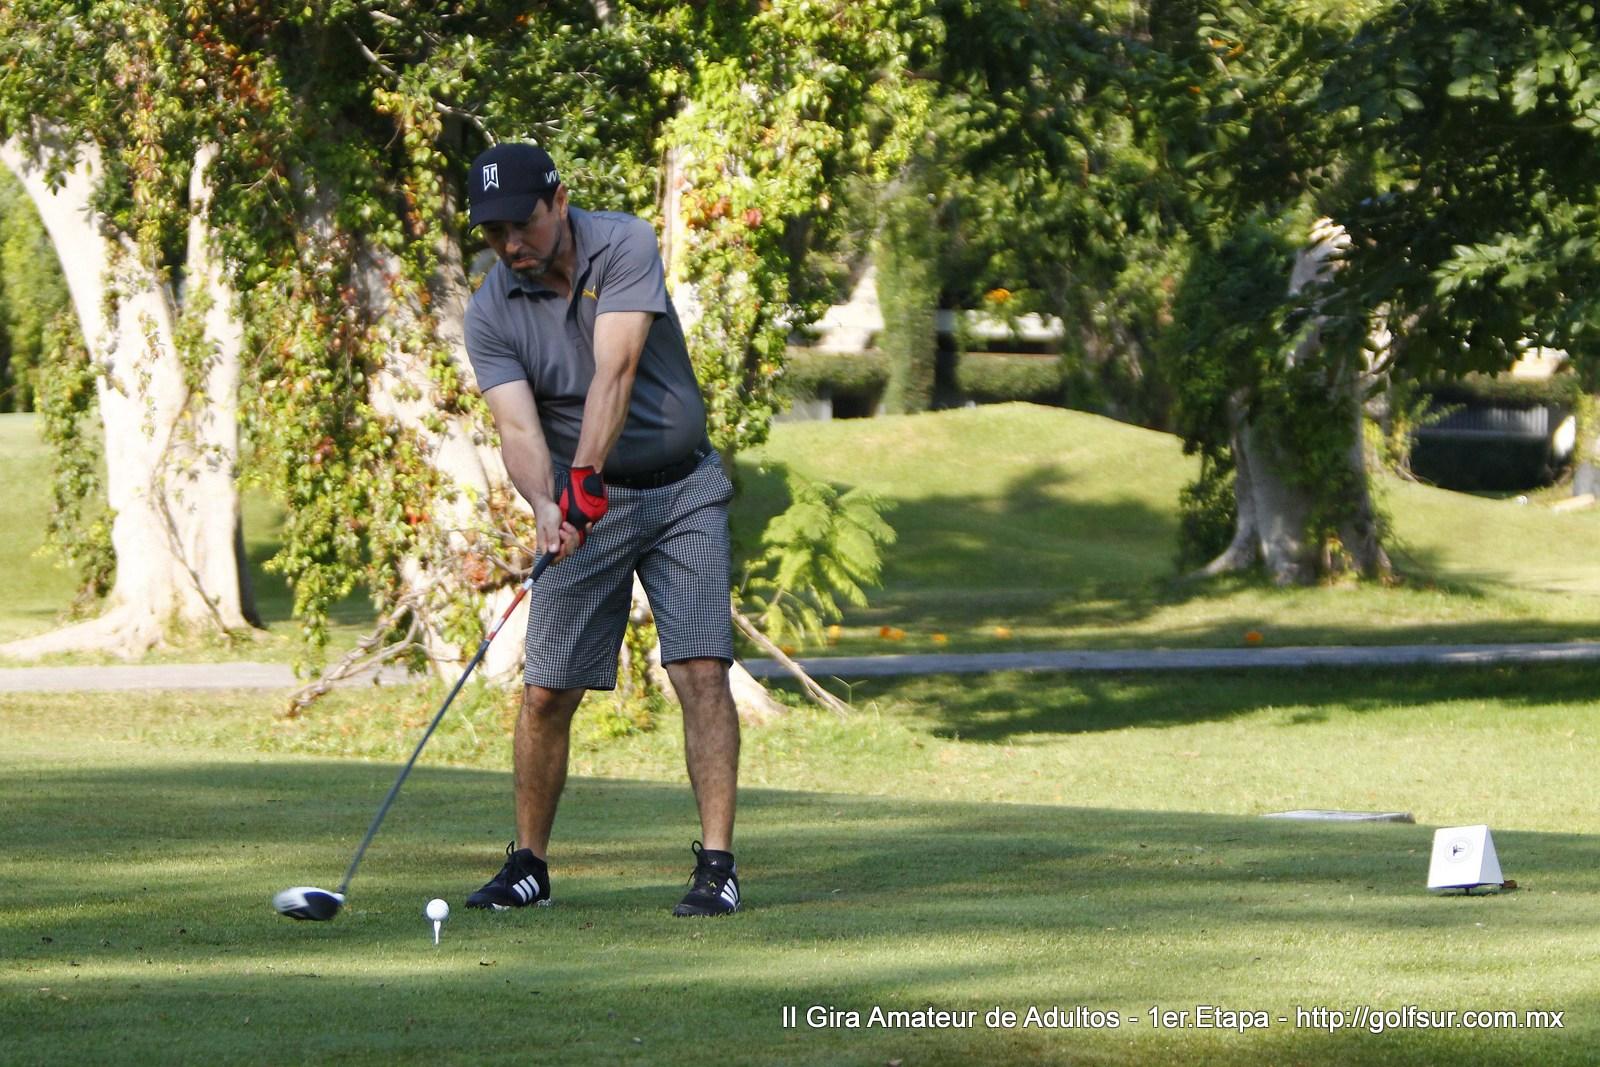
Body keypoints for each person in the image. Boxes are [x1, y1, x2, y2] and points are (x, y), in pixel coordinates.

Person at [459, 142, 741, 917]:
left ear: (559, 201)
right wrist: (546, 504)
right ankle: (529, 866)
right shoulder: (489, 310)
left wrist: (579, 477)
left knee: (700, 670)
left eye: (521, 223)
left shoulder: (624, 243)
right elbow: (518, 428)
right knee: (547, 689)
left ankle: (717, 866)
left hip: (682, 489)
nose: (510, 244)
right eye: (493, 232)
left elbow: (615, 371)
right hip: (584, 505)